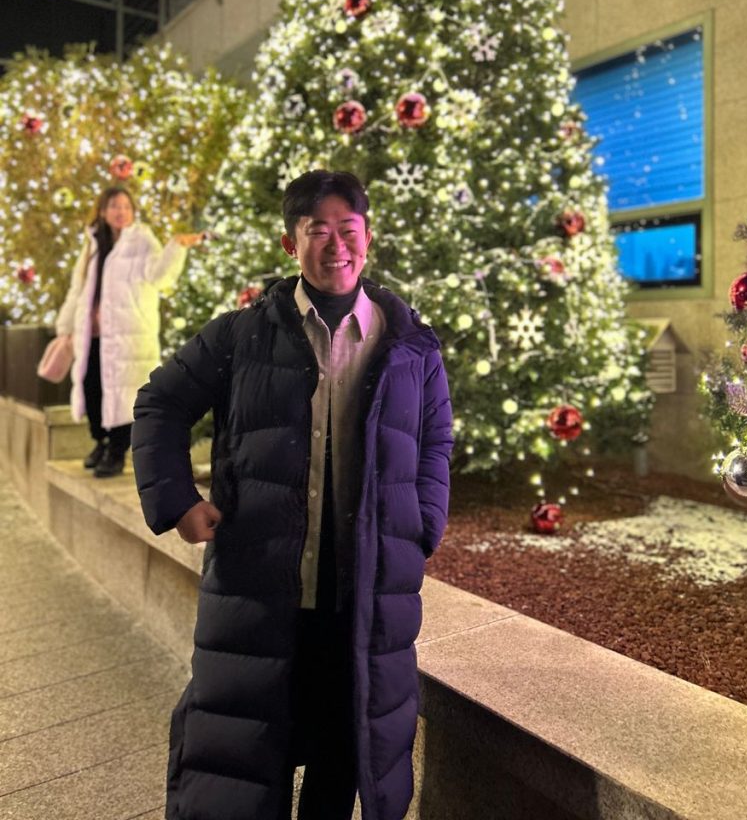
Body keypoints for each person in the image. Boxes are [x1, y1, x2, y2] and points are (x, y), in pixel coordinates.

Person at [132, 170, 453, 820]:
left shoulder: (409, 345)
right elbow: (160, 402)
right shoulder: (241, 337)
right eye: (317, 231)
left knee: (343, 755)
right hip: (264, 590)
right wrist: (177, 500)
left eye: (348, 229)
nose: (335, 245)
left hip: (362, 596)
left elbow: (435, 438)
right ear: (290, 242)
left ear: (367, 237)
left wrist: (424, 521)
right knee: (253, 752)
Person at [56, 186, 204, 478]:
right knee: (92, 387)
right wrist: (66, 325)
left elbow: (159, 276)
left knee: (125, 393)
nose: (120, 212)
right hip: (94, 334)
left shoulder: (142, 240)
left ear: (133, 211)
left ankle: (117, 451)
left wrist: (176, 247)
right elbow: (78, 288)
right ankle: (100, 440)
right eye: (114, 206)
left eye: (126, 206)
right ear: (102, 211)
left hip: (129, 333)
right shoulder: (93, 244)